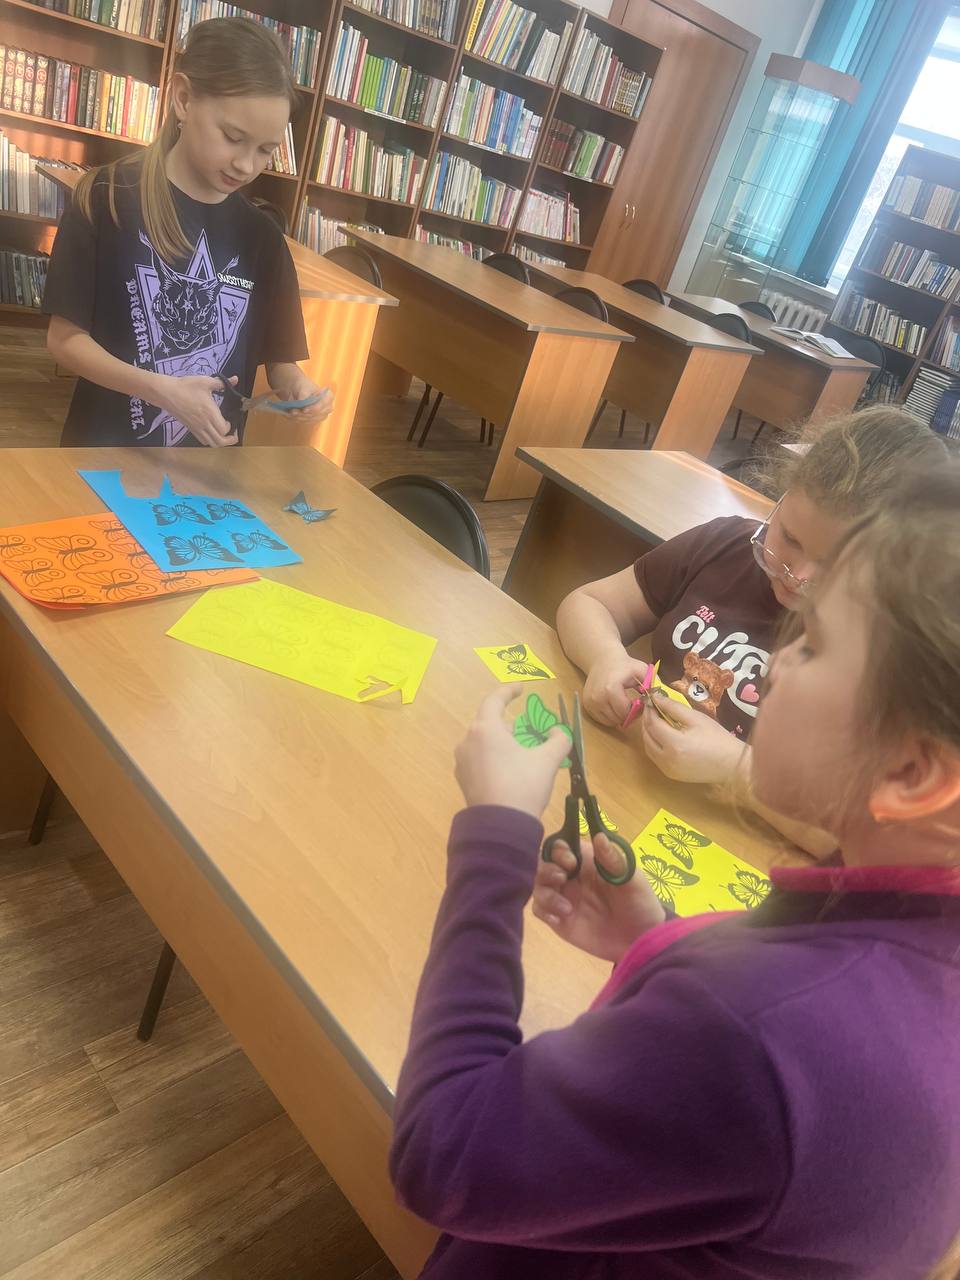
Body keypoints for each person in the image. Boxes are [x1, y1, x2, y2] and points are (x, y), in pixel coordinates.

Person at [390, 463, 960, 1280]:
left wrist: (495, 832)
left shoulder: (754, 1034)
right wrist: (659, 939)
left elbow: (443, 1151)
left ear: (910, 774)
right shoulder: (901, 932)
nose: (772, 666)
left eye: (813, 644)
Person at [556, 407, 945, 850]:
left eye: (836, 565)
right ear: (780, 502)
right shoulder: (723, 545)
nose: (796, 576)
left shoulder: (900, 656)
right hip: (625, 794)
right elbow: (589, 603)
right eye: (790, 538)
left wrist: (738, 770)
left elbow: (880, 846)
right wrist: (605, 657)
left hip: (743, 851)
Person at [42, 17, 333, 448]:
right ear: (182, 98)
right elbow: (65, 341)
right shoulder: (106, 198)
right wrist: (161, 391)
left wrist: (298, 389)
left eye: (265, 150)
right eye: (232, 137)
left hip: (209, 470)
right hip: (101, 454)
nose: (246, 165)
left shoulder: (263, 238)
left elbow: (280, 363)